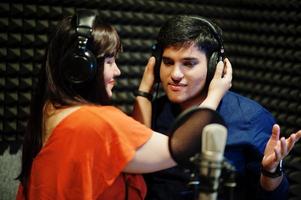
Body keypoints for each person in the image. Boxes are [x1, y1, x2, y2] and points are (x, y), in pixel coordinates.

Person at [15, 11, 233, 200]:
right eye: (110, 61)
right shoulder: (95, 123)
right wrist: (214, 96)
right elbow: (180, 147)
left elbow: (128, 152)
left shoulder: (50, 110)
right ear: (82, 67)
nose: (117, 71)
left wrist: (144, 92)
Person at [132, 15, 301, 200]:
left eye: (188, 64)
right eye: (168, 62)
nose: (175, 74)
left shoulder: (250, 118)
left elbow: (276, 197)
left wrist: (270, 172)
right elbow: (133, 168)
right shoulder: (153, 111)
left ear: (214, 66)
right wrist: (144, 94)